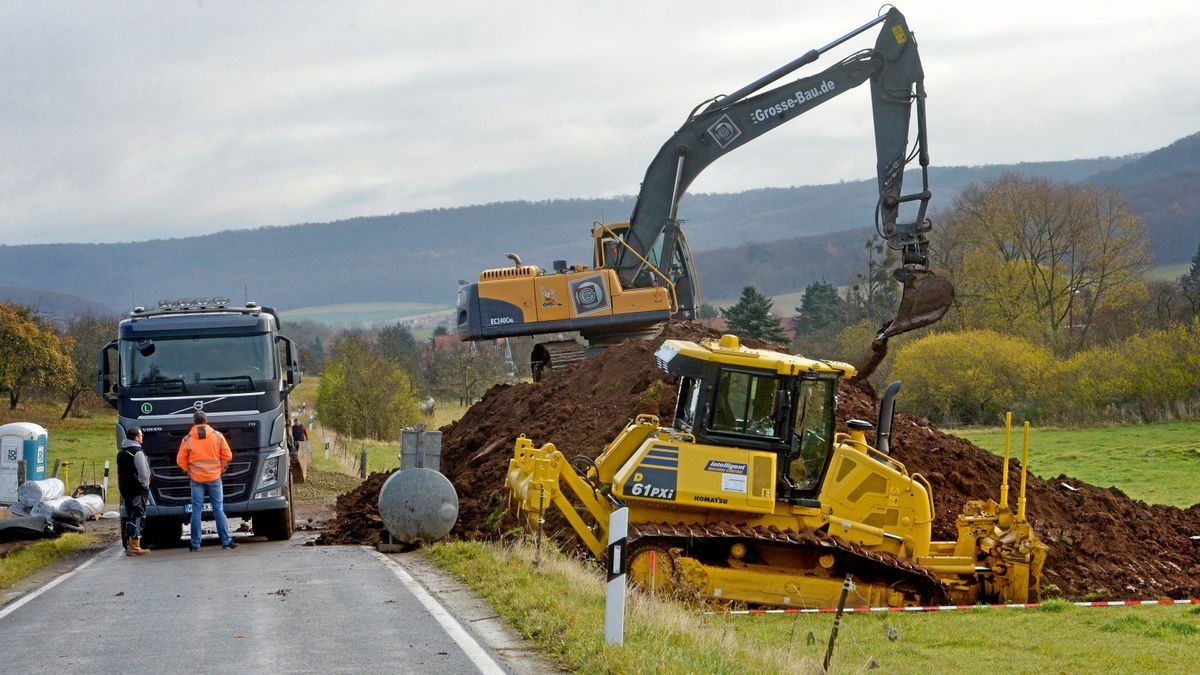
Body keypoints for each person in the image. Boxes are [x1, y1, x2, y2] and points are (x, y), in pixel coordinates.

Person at [177, 411, 237, 551]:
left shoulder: (187, 439)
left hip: (196, 479)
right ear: (206, 421)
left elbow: (180, 460)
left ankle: (195, 544)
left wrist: (188, 471)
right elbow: (227, 455)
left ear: (194, 422)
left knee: (196, 512)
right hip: (215, 478)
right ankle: (226, 541)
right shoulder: (217, 436)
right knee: (218, 510)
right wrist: (220, 469)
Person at [117, 426, 152, 557]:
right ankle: (135, 544)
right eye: (141, 435)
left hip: (125, 489)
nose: (142, 437)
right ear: (136, 437)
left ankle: (128, 543)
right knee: (138, 514)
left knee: (130, 514)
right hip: (137, 489)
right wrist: (145, 485)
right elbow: (143, 472)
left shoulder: (121, 453)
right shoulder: (137, 452)